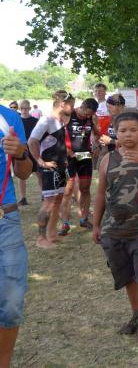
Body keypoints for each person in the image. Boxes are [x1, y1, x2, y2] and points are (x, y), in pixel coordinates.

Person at [92, 111, 138, 340]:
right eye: (122, 130)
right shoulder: (108, 160)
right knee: (126, 276)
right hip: (114, 231)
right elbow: (100, 194)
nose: (128, 135)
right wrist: (96, 224)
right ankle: (135, 314)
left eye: (133, 130)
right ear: (115, 133)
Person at [0, 103, 34, 368]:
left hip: (5, 218)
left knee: (11, 302)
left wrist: (20, 154)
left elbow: (24, 173)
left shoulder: (8, 118)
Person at [28, 90, 75, 248]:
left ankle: (52, 233)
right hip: (49, 169)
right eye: (71, 105)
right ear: (62, 104)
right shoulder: (46, 120)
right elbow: (32, 141)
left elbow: (56, 143)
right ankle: (41, 239)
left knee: (58, 200)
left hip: (60, 167)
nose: (72, 108)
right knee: (48, 202)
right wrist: (40, 161)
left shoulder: (59, 121)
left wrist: (65, 156)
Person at [59, 98, 100, 235]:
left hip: (85, 156)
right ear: (82, 106)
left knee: (85, 189)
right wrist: (65, 149)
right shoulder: (68, 114)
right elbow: (56, 134)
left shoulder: (91, 117)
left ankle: (84, 219)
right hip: (69, 157)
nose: (87, 116)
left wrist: (96, 145)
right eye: (86, 113)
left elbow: (97, 134)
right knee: (67, 191)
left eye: (90, 114)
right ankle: (65, 223)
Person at [16, 100, 39, 206]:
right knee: (22, 175)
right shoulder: (17, 121)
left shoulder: (35, 121)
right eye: (22, 108)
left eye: (26, 108)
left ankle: (44, 195)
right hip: (21, 150)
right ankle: (23, 198)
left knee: (39, 173)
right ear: (19, 109)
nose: (24, 110)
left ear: (30, 108)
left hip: (34, 150)